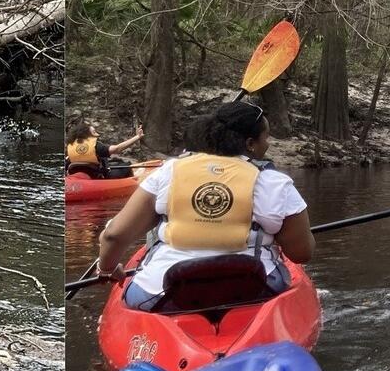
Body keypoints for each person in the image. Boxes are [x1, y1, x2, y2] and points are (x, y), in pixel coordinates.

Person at [96, 101, 314, 312]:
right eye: (266, 138)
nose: (268, 144)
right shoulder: (274, 183)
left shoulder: (168, 171)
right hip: (254, 292)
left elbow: (113, 236)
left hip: (161, 296)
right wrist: (271, 235)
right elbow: (301, 253)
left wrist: (107, 269)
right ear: (250, 144)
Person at [67, 118, 146, 179]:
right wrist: (137, 137)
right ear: (87, 135)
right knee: (126, 166)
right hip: (96, 177)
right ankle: (131, 183)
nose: (98, 135)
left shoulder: (70, 146)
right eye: (94, 132)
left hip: (76, 178)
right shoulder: (96, 146)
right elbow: (117, 149)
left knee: (116, 162)